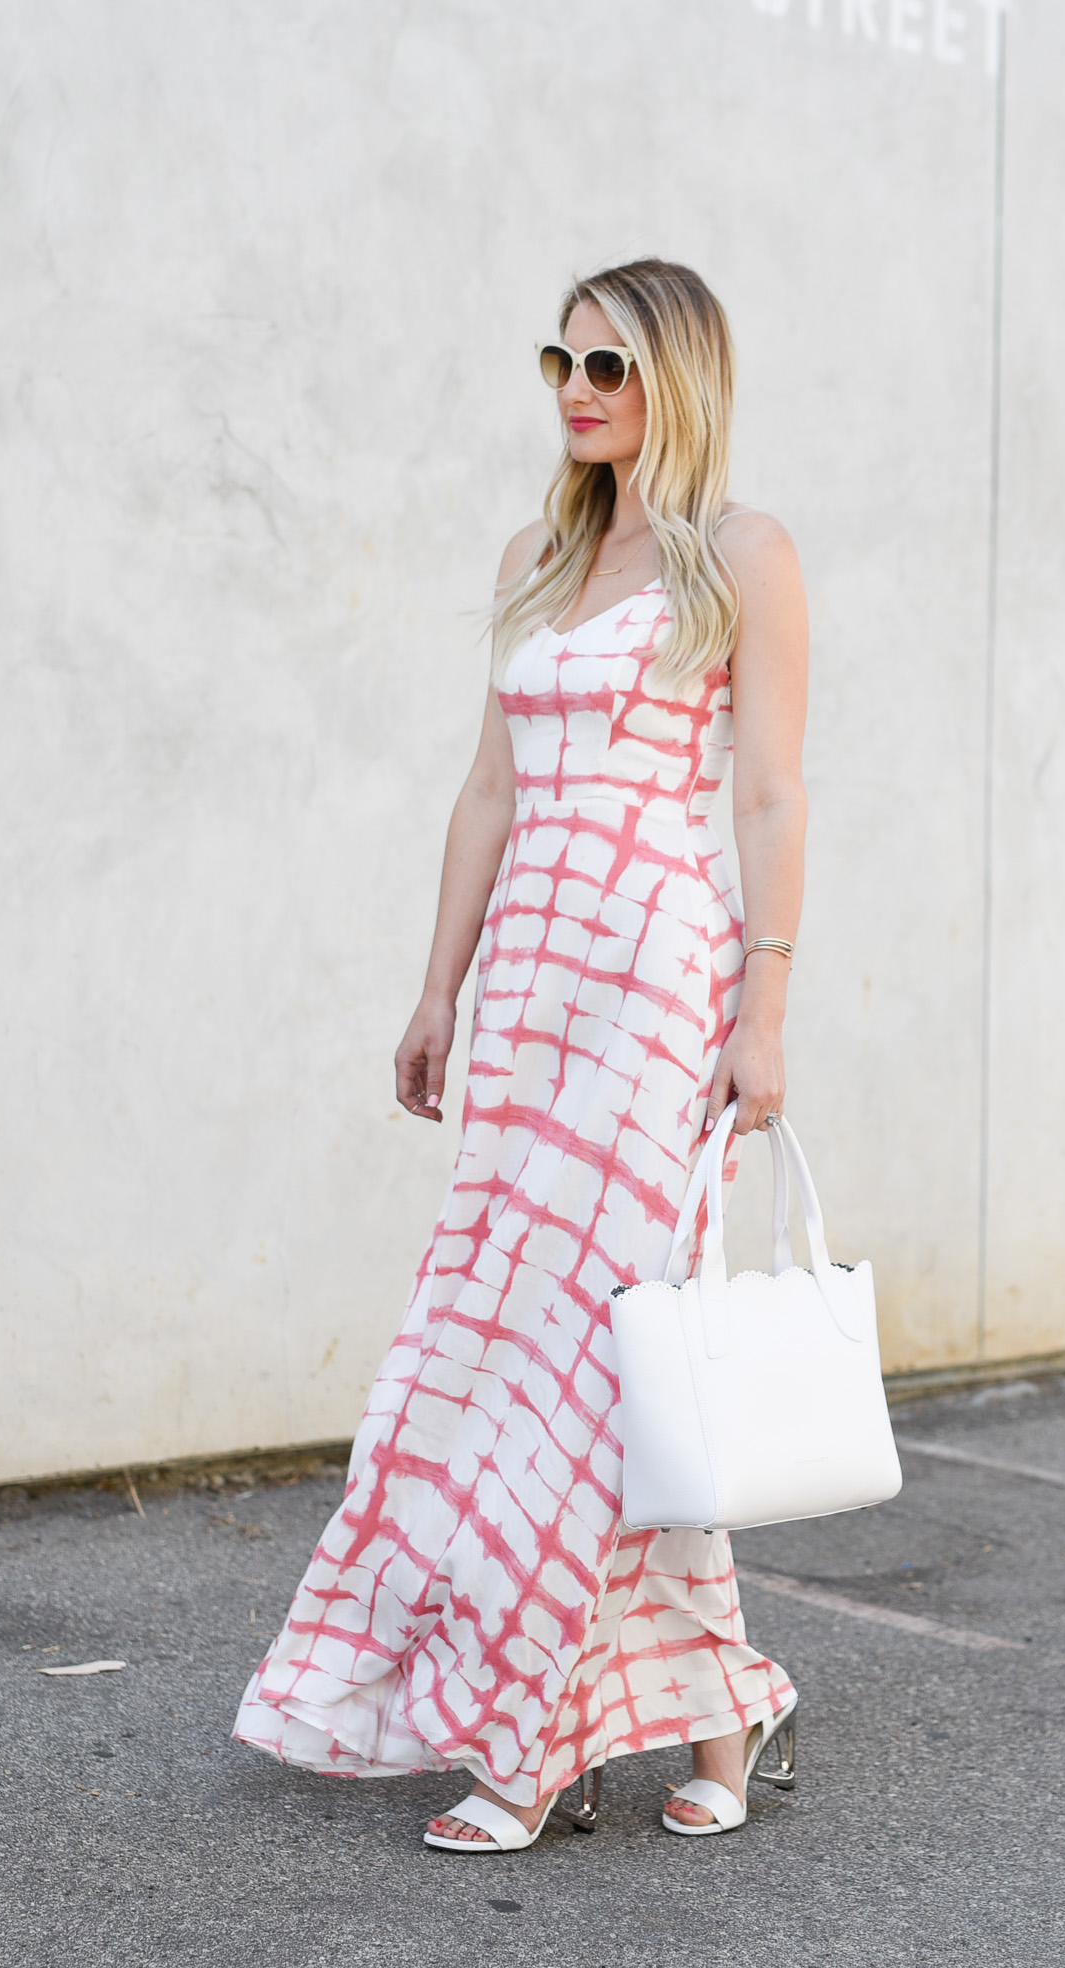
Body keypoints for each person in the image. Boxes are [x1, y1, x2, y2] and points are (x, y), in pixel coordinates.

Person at [232, 257, 811, 1850]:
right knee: (508, 1359)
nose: (576, 388)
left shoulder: (743, 555)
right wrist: (438, 989)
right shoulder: (538, 555)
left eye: (609, 366)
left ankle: (537, 1742)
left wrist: (763, 1011)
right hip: (534, 992)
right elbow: (486, 791)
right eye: (560, 358)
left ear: (675, 381)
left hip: (653, 982)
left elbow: (767, 796)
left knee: (609, 1357)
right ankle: (717, 1701)